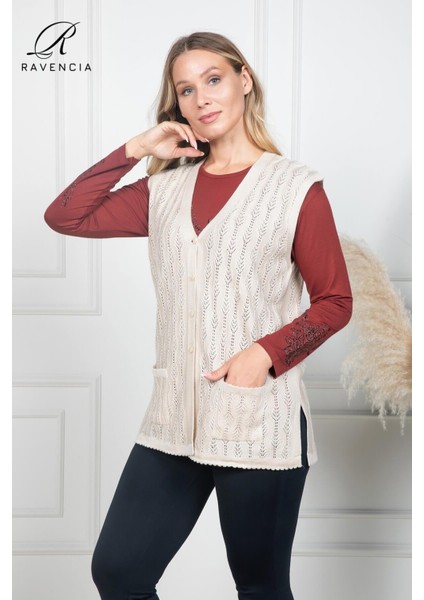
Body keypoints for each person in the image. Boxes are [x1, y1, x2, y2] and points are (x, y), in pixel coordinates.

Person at [44, 31, 352, 600]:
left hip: (258, 422)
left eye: (213, 79)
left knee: (260, 588)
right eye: (186, 90)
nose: (202, 98)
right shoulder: (162, 191)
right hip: (172, 423)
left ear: (243, 80)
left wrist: (264, 355)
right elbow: (66, 215)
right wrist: (138, 147)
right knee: (119, 572)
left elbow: (336, 301)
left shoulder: (295, 188)